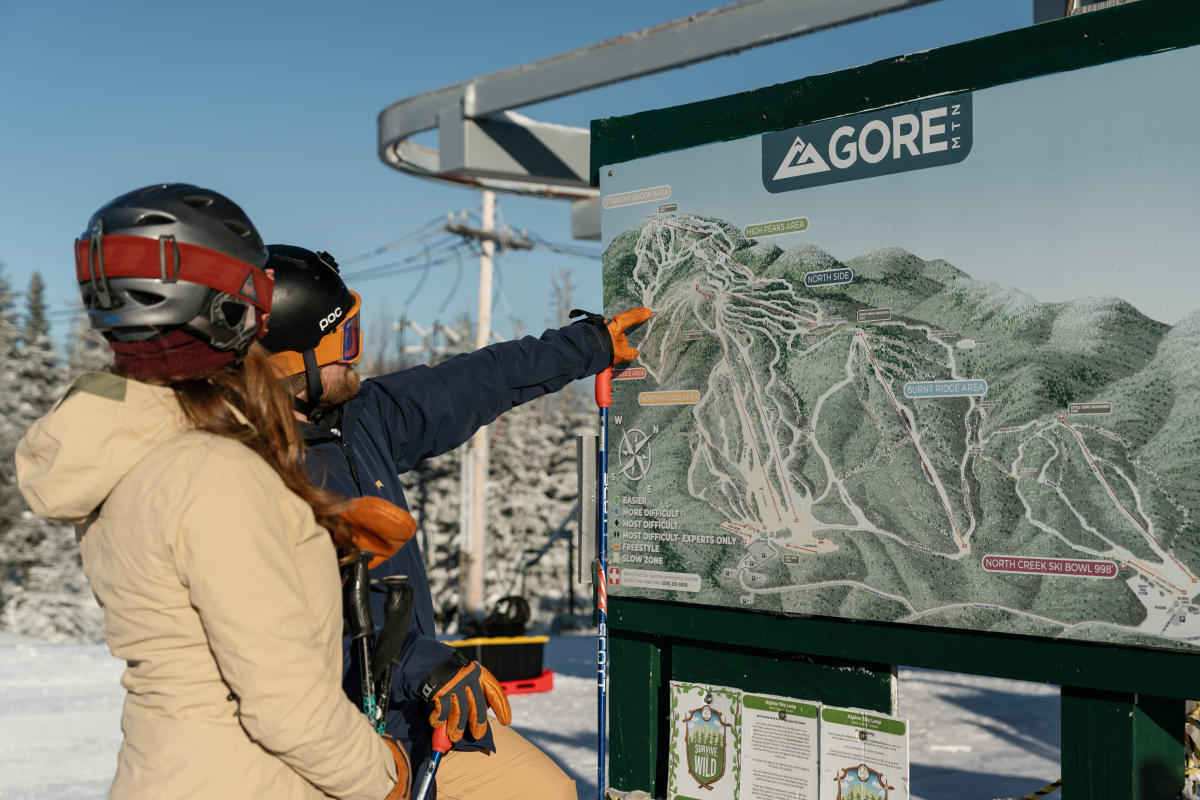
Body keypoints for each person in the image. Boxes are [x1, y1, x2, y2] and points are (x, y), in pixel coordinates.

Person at [14, 184, 411, 800]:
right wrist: (382, 774)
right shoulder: (215, 472)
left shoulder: (132, 447)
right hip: (247, 779)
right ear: (231, 312)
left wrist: (311, 535)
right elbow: (285, 703)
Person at [258, 243, 650, 800]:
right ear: (291, 360)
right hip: (327, 732)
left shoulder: (358, 417)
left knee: (547, 791)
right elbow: (278, 632)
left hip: (407, 708)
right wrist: (419, 663)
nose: (358, 356)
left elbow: (476, 381)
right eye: (345, 340)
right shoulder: (256, 471)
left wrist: (585, 345)